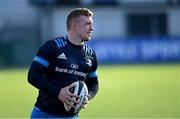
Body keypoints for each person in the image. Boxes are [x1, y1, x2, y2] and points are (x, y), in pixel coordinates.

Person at [28, 8, 99, 118]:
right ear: (74, 26)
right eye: (87, 24)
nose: (91, 28)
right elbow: (33, 76)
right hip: (44, 114)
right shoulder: (52, 47)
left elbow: (94, 83)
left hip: (72, 116)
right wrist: (59, 92)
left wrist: (87, 96)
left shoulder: (90, 54)